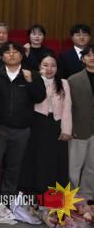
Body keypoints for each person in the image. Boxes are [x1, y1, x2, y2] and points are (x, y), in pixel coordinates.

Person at [0, 42, 45, 198]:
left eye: (15, 51)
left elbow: (40, 97)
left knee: (14, 166)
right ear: (1, 56)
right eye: (7, 52)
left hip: (22, 129)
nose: (11, 54)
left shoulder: (32, 74)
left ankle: (8, 196)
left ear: (22, 55)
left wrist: (30, 81)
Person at [19, 54, 73, 194]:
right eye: (45, 65)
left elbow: (67, 107)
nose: (49, 69)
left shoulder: (63, 83)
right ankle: (37, 195)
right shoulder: (33, 81)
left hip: (56, 124)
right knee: (38, 160)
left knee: (56, 162)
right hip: (37, 124)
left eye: (53, 65)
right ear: (39, 66)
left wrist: (66, 129)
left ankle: (55, 196)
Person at [68, 45, 94, 201]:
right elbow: (68, 107)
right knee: (74, 166)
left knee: (92, 166)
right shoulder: (73, 80)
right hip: (79, 127)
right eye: (88, 55)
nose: (92, 57)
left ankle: (87, 197)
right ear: (82, 59)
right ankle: (70, 196)